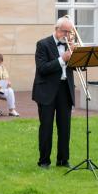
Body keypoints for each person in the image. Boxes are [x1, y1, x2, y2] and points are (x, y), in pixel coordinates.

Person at [32, 15, 76, 169]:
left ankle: (63, 160)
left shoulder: (69, 45)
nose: (67, 35)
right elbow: (42, 69)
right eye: (65, 32)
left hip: (65, 89)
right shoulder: (42, 44)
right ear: (57, 29)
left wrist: (76, 56)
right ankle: (44, 161)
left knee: (65, 127)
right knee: (46, 127)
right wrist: (62, 59)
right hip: (46, 90)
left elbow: (75, 68)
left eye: (69, 32)